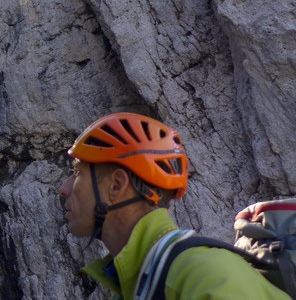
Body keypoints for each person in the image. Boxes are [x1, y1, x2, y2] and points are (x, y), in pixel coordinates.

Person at [58, 112, 289, 299]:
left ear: (116, 185)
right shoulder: (142, 280)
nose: (64, 189)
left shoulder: (205, 275)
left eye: (77, 172)